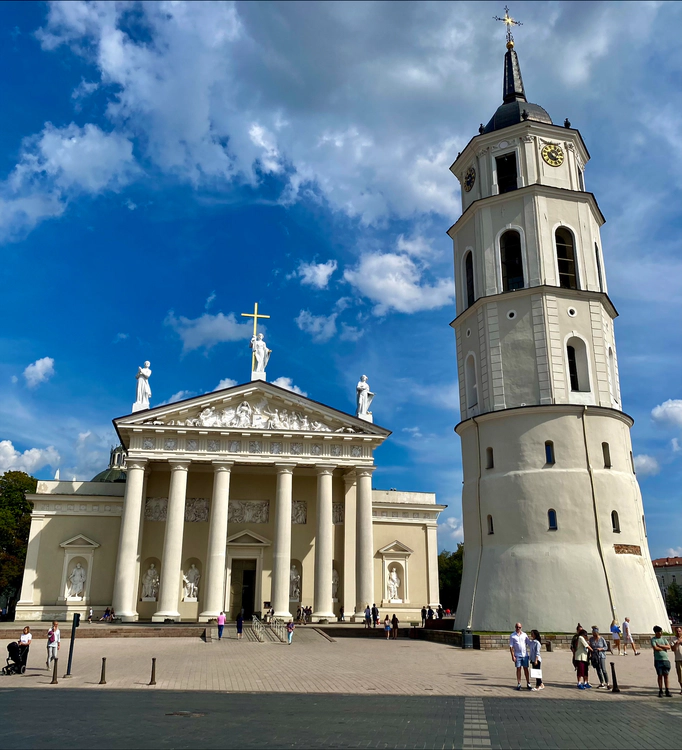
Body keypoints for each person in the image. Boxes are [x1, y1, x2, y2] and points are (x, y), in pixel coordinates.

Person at [651, 625, 672, 698]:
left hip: (665, 659)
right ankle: (660, 690)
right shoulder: (653, 639)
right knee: (660, 675)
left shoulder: (664, 639)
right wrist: (663, 648)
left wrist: (660, 645)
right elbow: (655, 648)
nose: (660, 633)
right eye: (659, 632)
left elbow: (669, 647)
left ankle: (667, 690)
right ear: (656, 632)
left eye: (661, 631)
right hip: (658, 660)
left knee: (666, 675)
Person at [509, 622, 532, 691]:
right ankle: (519, 683)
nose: (518, 628)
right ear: (515, 627)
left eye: (519, 627)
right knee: (518, 669)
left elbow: (529, 643)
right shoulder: (512, 635)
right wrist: (513, 656)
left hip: (524, 655)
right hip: (517, 655)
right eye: (517, 627)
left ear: (521, 628)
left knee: (526, 669)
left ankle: (528, 682)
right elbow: (511, 647)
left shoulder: (524, 635)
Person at [670, 626, 682, 695]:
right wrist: (677, 643)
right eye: (677, 631)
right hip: (678, 659)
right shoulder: (673, 639)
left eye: (679, 631)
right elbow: (673, 649)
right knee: (680, 675)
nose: (678, 632)